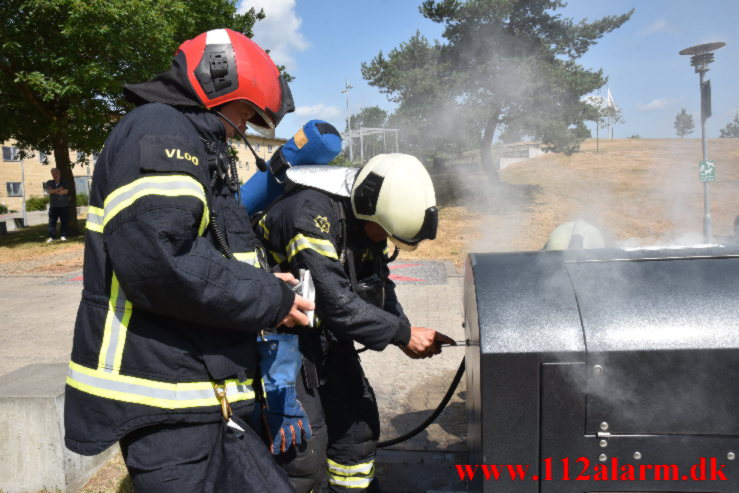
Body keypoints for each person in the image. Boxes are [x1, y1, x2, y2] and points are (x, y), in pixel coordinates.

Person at [64, 28, 313, 492]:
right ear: (217, 83)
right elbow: (162, 261)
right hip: (170, 408)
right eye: (244, 115)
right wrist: (270, 298)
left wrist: (263, 279)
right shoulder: (161, 128)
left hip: (200, 402)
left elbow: (204, 248)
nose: (240, 129)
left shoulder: (192, 141)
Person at [253, 153, 454, 492]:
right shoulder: (309, 214)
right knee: (302, 448)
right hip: (279, 343)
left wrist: (405, 329)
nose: (384, 241)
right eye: (385, 232)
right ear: (368, 208)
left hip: (327, 336)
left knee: (357, 430)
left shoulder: (362, 221)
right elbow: (334, 302)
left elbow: (377, 283)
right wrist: (403, 335)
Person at [45, 168, 70, 242]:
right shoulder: (49, 182)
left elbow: (65, 192)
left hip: (64, 206)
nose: (53, 175)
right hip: (53, 206)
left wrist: (54, 191)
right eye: (52, 173)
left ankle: (63, 235)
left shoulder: (64, 182)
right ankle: (52, 237)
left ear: (58, 173)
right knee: (52, 222)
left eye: (54, 173)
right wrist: (59, 189)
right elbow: (49, 191)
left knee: (64, 221)